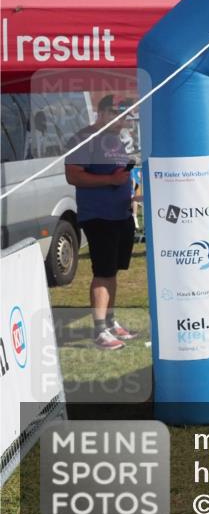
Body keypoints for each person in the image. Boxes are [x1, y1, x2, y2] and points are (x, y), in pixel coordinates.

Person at [64, 94, 138, 350]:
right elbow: (73, 175)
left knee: (112, 271)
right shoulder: (84, 138)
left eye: (125, 116)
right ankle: (100, 330)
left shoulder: (116, 139)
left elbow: (117, 172)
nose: (122, 120)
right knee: (103, 272)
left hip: (120, 214)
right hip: (99, 216)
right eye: (117, 114)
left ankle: (109, 321)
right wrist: (110, 180)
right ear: (102, 113)